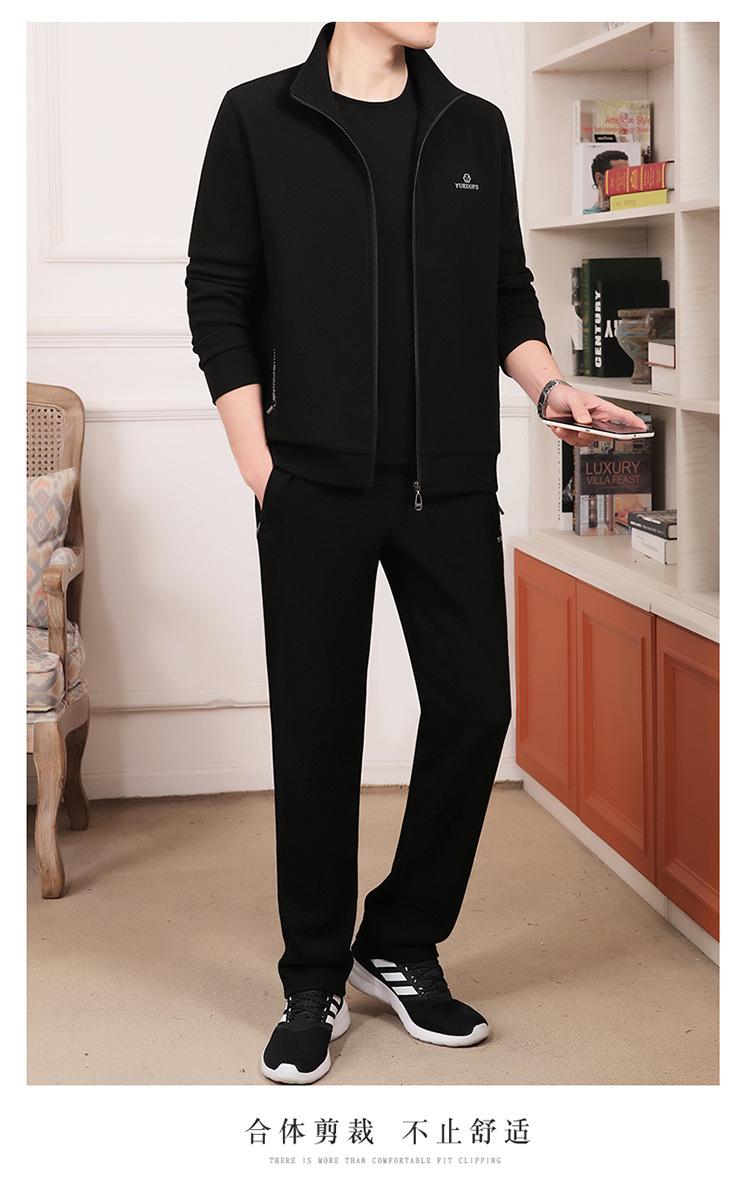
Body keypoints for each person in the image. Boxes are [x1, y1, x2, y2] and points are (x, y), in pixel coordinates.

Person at [185, 20, 647, 1085]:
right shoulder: (259, 117)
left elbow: (505, 291)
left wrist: (552, 388)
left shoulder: (471, 126)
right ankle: (312, 976)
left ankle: (397, 937)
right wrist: (262, 469)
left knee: (476, 706)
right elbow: (219, 296)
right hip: (312, 484)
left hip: (450, 480)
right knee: (318, 733)